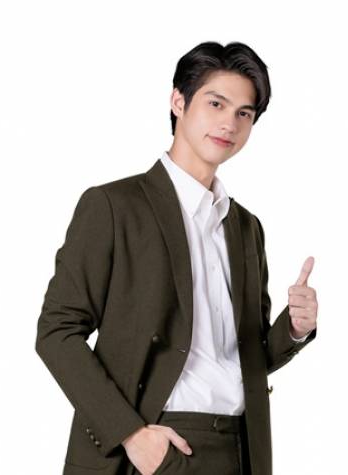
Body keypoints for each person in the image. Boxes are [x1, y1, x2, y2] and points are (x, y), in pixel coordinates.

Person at [35, 41, 318, 475]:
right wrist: (131, 434)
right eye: (216, 104)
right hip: (152, 444)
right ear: (178, 102)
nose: (229, 123)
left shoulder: (246, 227)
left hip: (241, 448)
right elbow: (57, 331)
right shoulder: (114, 206)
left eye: (244, 113)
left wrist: (294, 329)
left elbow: (247, 355)